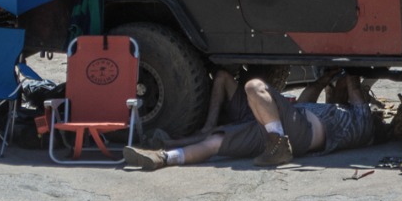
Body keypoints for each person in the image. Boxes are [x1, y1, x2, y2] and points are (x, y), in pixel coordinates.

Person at [123, 66, 378, 170]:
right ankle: (164, 158)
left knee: (255, 87)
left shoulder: (361, 119)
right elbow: (306, 100)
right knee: (214, 143)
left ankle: (276, 142)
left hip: (291, 135)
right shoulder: (332, 114)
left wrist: (351, 70)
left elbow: (355, 92)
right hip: (283, 131)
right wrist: (324, 80)